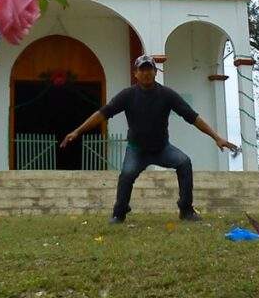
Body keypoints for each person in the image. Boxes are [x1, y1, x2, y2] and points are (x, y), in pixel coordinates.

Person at [60, 54, 239, 224]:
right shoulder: (128, 95)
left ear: (155, 72)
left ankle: (186, 210)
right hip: (136, 150)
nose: (146, 73)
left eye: (149, 69)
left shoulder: (167, 95)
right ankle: (119, 213)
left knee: (184, 162)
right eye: (142, 69)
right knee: (127, 175)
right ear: (136, 73)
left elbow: (192, 117)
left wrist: (217, 137)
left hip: (162, 149)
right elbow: (102, 114)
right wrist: (77, 131)